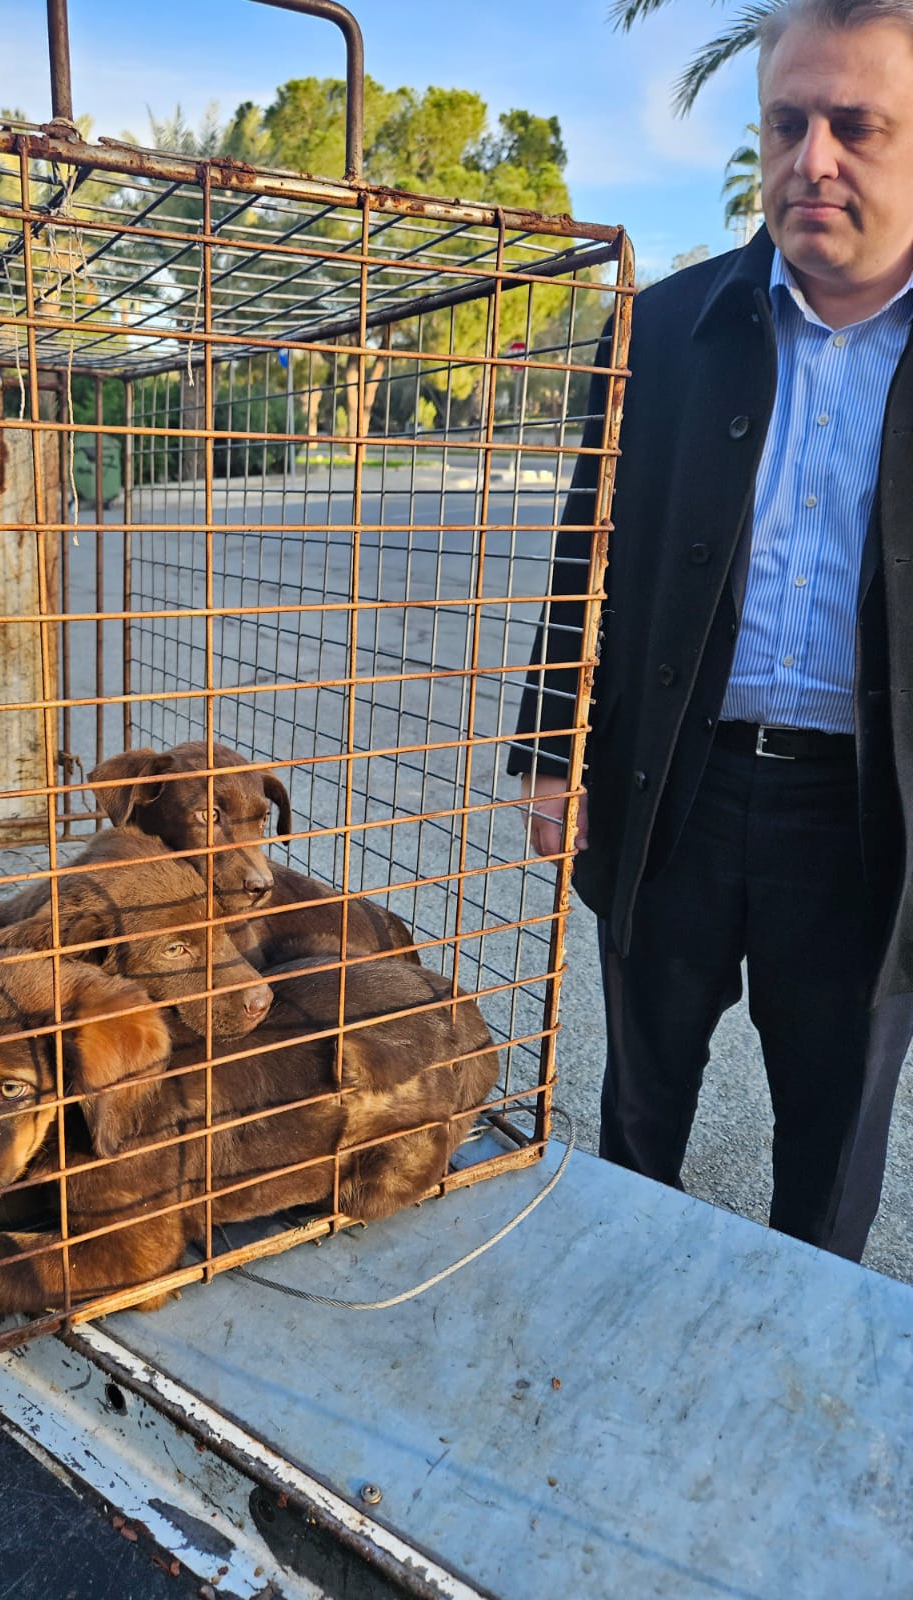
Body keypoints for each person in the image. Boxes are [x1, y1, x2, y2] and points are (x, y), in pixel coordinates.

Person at [508, 0, 913, 1262]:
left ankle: (798, 1351)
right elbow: (585, 551)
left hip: (863, 818)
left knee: (830, 1159)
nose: (812, 161)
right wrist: (550, 748)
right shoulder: (666, 329)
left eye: (856, 126)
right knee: (638, 1113)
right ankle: (622, 1313)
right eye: (787, 123)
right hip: (674, 785)